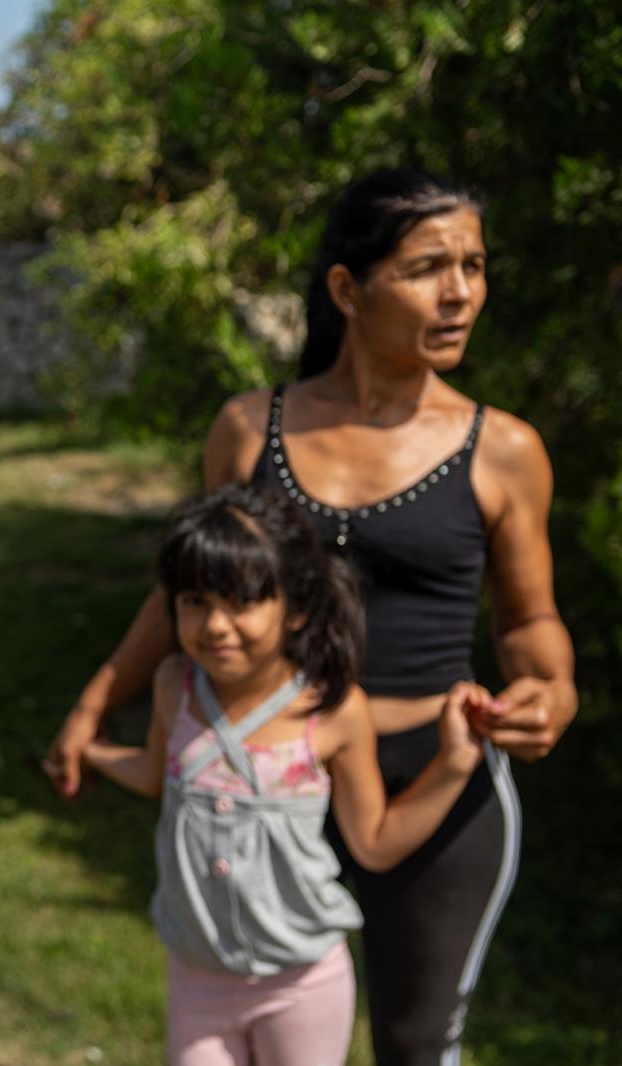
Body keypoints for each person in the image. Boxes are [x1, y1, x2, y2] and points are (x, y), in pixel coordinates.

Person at [45, 169, 578, 1064]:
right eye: (427, 268)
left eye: (475, 265)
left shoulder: (506, 450)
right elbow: (184, 591)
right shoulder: (249, 429)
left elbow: (529, 621)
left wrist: (552, 687)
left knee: (415, 1044)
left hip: (435, 776)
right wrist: (95, 703)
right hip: (272, 768)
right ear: (348, 289)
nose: (460, 293)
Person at [84, 484, 486, 1065]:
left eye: (241, 601)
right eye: (195, 600)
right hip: (195, 978)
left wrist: (453, 763)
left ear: (296, 608)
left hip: (302, 988)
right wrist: (91, 753)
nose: (215, 624)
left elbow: (374, 843)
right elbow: (154, 773)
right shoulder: (174, 685)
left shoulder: (332, 713)